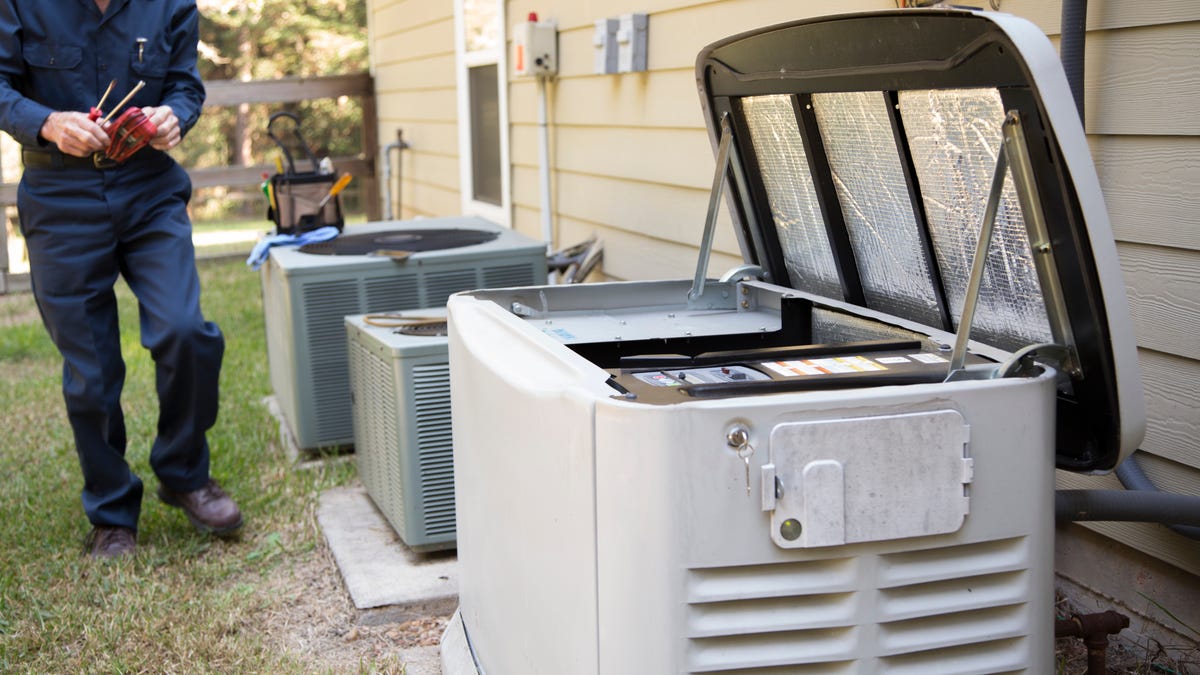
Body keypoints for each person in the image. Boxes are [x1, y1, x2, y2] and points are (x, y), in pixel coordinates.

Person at [0, 0, 242, 558]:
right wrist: (48, 122)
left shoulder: (171, 5)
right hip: (60, 195)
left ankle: (183, 473)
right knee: (91, 368)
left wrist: (174, 116)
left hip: (150, 189)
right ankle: (112, 514)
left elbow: (185, 86)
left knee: (185, 330)